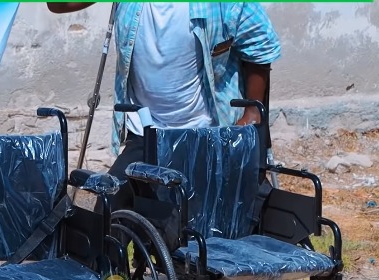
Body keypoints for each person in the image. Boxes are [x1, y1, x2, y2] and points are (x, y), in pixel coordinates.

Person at [47, 2, 281, 208]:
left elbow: (261, 45)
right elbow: (58, 4)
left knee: (186, 226)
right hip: (146, 133)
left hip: (204, 134)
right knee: (108, 219)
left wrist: (252, 112)